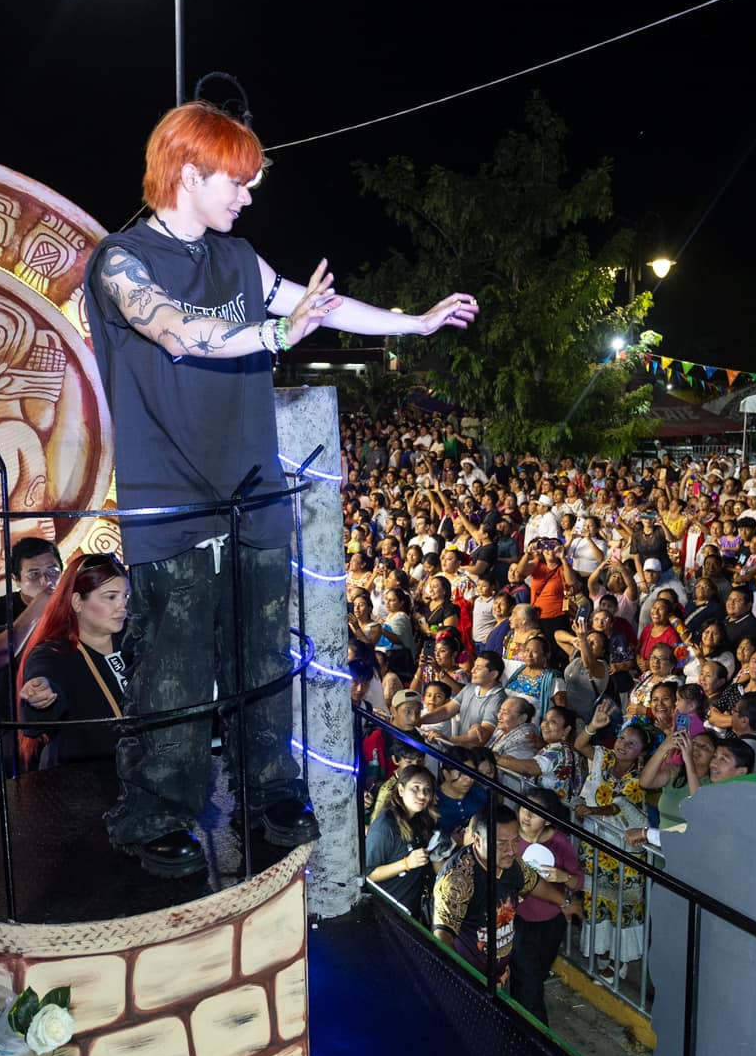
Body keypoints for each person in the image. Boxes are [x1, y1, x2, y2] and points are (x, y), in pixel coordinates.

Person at [84, 100, 478, 876]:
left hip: (254, 483)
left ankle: (270, 789)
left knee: (262, 656)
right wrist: (274, 333)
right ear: (189, 172)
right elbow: (175, 331)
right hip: (171, 491)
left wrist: (416, 323)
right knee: (175, 665)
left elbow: (314, 304)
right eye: (237, 180)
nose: (248, 195)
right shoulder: (121, 261)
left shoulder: (239, 259)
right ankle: (157, 813)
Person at [430, 804, 575, 985]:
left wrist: (565, 902)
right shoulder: (458, 880)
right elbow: (443, 936)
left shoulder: (512, 864)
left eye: (515, 841)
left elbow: (534, 882)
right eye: (501, 844)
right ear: (477, 840)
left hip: (499, 973)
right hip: (469, 979)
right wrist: (457, 982)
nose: (511, 850)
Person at [16, 554, 130, 772]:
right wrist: (40, 690)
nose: (122, 606)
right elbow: (42, 675)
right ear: (77, 602)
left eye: (125, 596)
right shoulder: (54, 652)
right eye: (110, 597)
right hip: (77, 781)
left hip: (134, 771)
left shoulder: (133, 641)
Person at [508, 792, 584, 1024]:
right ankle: (538, 1034)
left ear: (548, 820)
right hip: (516, 919)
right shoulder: (508, 837)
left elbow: (578, 880)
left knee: (534, 976)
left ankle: (516, 1018)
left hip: (551, 921)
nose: (527, 815)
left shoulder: (559, 842)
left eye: (536, 812)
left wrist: (563, 877)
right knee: (529, 980)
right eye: (524, 808)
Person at [0, 536, 61, 677]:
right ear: (16, 580)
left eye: (53, 572)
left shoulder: (75, 603)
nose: (46, 581)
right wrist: (37, 608)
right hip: (16, 694)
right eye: (34, 574)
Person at [364, 765, 440, 920]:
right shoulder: (385, 826)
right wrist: (406, 863)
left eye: (427, 790)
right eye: (415, 788)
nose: (422, 795)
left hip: (411, 909)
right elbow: (369, 874)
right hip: (388, 914)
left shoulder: (421, 818)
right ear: (400, 790)